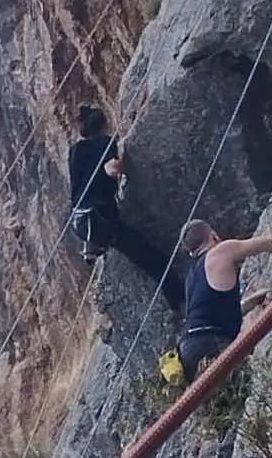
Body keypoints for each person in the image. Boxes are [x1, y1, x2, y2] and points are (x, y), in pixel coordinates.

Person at [68, 105, 185, 312]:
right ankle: (178, 299)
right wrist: (121, 166)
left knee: (123, 242)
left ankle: (94, 244)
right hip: (100, 218)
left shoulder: (75, 151)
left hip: (80, 220)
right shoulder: (105, 143)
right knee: (150, 257)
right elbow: (110, 169)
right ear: (104, 125)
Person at [177, 218, 272, 382]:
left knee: (225, 395)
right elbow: (268, 243)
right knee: (241, 384)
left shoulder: (191, 278)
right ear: (214, 236)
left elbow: (217, 314)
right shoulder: (219, 251)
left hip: (187, 352)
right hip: (211, 343)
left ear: (192, 253)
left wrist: (253, 301)